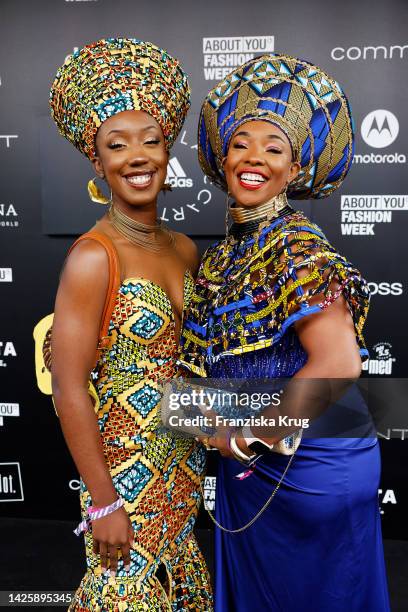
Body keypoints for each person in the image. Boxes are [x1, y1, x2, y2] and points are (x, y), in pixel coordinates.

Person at [179, 53, 390, 611]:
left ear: (295, 171)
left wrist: (247, 439)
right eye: (240, 143)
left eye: (274, 148)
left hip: (312, 467)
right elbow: (203, 370)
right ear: (222, 158)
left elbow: (340, 365)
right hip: (250, 471)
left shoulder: (299, 247)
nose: (253, 157)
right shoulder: (220, 258)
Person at [50, 38, 212, 610]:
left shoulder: (187, 249)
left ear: (169, 152)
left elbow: (188, 365)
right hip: (122, 480)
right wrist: (103, 504)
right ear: (99, 162)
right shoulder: (94, 257)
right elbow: (69, 389)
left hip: (184, 475)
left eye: (151, 140)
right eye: (117, 145)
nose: (137, 156)